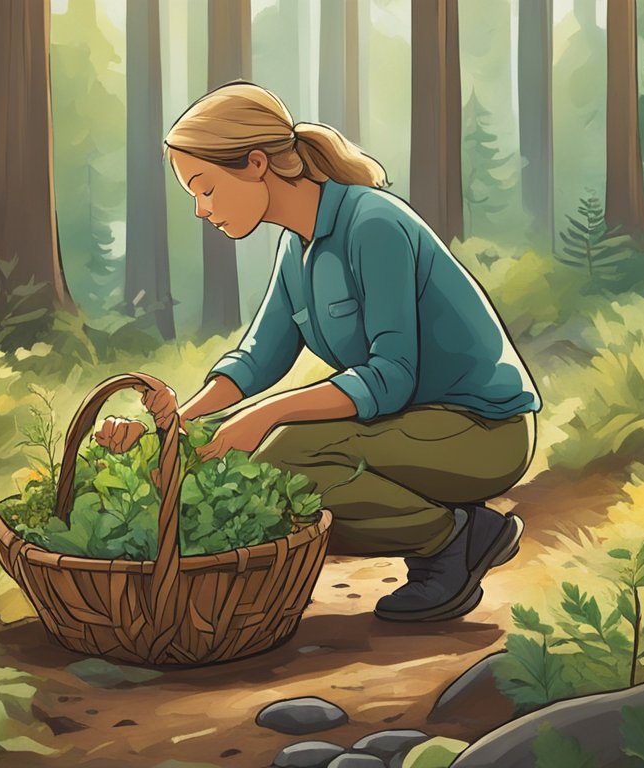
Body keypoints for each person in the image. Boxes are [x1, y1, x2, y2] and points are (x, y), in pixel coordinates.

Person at [94, 81, 542, 622]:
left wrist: (266, 415)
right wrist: (175, 425)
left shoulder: (373, 224)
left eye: (205, 187)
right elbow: (259, 359)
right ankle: (452, 533)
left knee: (281, 458)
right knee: (234, 443)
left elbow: (391, 377)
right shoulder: (297, 247)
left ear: (256, 163)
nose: (199, 209)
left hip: (483, 433)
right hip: (411, 428)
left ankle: (451, 540)